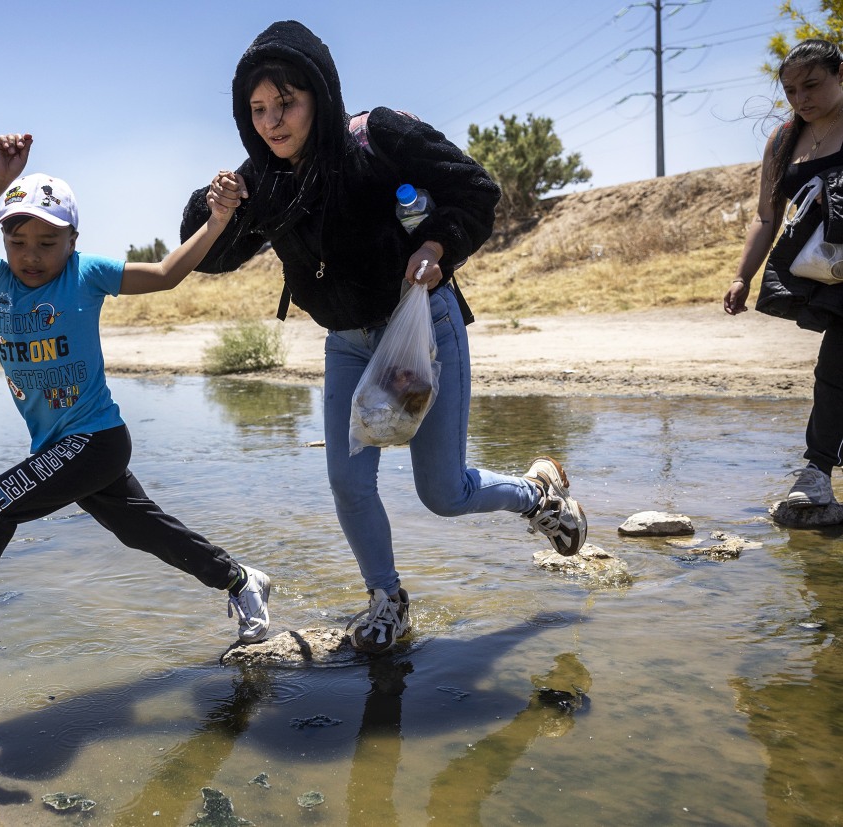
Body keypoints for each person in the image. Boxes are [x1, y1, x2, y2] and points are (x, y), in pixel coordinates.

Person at [180, 21, 586, 655]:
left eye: (286, 101)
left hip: (422, 330)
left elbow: (475, 189)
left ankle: (538, 495)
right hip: (346, 344)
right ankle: (387, 601)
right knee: (348, 482)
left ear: (318, 92)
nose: (272, 121)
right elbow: (211, 255)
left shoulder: (378, 136)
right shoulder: (263, 179)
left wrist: (437, 243)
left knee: (443, 493)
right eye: (257, 109)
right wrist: (217, 208)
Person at [0, 133, 272, 648]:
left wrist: (218, 219)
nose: (31, 256)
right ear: (3, 244)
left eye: (47, 243)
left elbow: (168, 274)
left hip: (95, 439)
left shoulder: (86, 276)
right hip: (58, 446)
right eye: (17, 243)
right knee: (141, 530)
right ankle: (241, 579)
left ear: (73, 241)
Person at [725, 38, 843, 509]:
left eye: (811, 85)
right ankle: (817, 473)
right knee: (834, 368)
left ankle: (816, 469)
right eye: (791, 91)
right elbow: (766, 217)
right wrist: (742, 276)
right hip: (829, 275)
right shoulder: (782, 140)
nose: (801, 99)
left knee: (834, 366)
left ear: (840, 75)